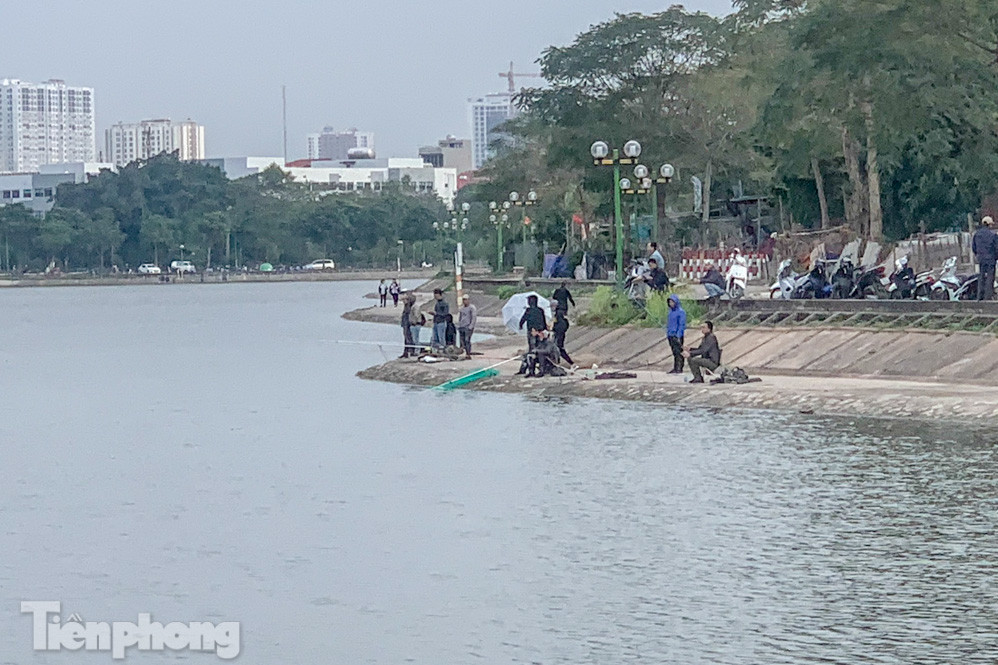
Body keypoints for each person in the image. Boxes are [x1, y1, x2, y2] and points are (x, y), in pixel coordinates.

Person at [973, 216, 997, 301]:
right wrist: (995, 258)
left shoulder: (977, 234)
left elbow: (974, 247)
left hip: (981, 259)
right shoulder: (993, 235)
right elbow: (996, 248)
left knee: (981, 277)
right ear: (989, 224)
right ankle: (988, 297)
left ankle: (979, 297)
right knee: (990, 279)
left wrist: (978, 255)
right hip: (991, 259)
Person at [665, 294, 687, 374]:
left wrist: (678, 335)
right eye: (670, 302)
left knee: (679, 352)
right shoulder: (670, 312)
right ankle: (675, 367)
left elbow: (682, 324)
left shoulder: (681, 312)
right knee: (674, 352)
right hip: (670, 335)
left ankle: (679, 368)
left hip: (677, 335)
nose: (671, 304)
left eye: (672, 302)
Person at [457, 294, 477, 359]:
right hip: (462, 326)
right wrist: (459, 325)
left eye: (466, 299)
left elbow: (473, 317)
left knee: (467, 340)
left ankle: (468, 353)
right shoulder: (462, 308)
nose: (464, 301)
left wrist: (471, 326)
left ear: (468, 300)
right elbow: (460, 317)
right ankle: (463, 352)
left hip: (468, 327)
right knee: (462, 341)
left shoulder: (472, 308)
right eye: (463, 300)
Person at [399, 294, 416, 358]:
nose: (403, 301)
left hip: (407, 324)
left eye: (405, 300)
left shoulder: (409, 307)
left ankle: (410, 352)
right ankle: (406, 352)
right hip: (405, 324)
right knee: (406, 338)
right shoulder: (406, 307)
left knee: (409, 337)